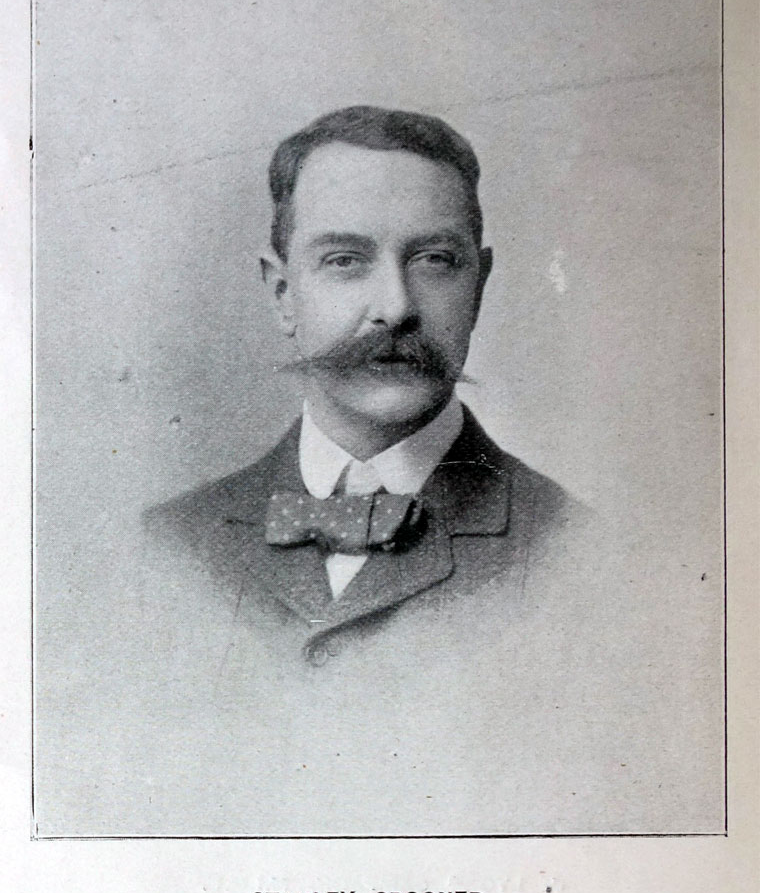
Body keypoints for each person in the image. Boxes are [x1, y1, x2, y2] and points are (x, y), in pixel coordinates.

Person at [145, 106, 581, 668]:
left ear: (477, 287)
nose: (395, 308)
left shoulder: (576, 552)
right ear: (282, 294)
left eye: (434, 260)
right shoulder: (166, 546)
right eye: (345, 260)